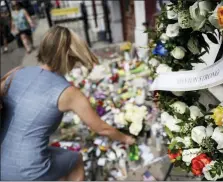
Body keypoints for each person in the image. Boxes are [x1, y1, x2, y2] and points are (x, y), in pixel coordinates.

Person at [0, 26, 135, 181]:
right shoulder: (68, 92)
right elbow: (102, 128)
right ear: (68, 57)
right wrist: (127, 139)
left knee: (61, 160)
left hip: (2, 163)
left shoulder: (17, 72)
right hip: (28, 170)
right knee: (76, 160)